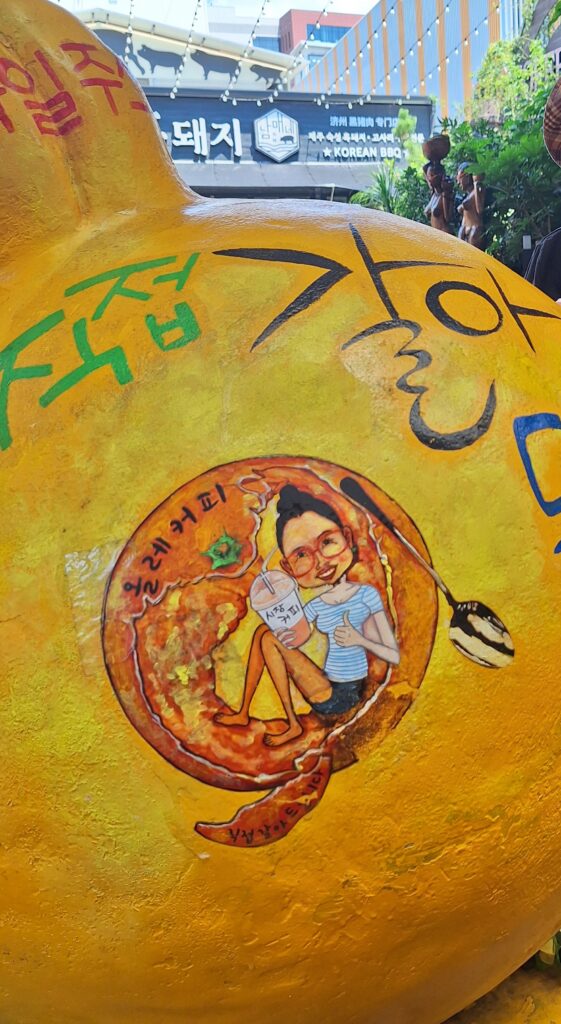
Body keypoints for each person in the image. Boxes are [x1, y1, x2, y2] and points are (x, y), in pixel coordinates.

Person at [215, 485, 400, 747]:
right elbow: (300, 634)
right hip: (325, 684)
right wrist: (285, 632)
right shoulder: (318, 604)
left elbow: (392, 655)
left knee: (267, 639)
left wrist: (359, 640)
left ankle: (291, 724)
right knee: (265, 634)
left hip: (344, 695)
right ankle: (244, 712)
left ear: (347, 538)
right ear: (288, 567)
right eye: (302, 555)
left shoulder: (365, 595)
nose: (320, 562)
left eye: (327, 542)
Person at [423, 162, 454, 234]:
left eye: (432, 175)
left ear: (439, 176)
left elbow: (448, 218)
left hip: (444, 234)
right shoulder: (434, 195)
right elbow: (424, 169)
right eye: (428, 176)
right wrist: (433, 161)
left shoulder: (444, 195)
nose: (429, 179)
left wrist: (447, 194)